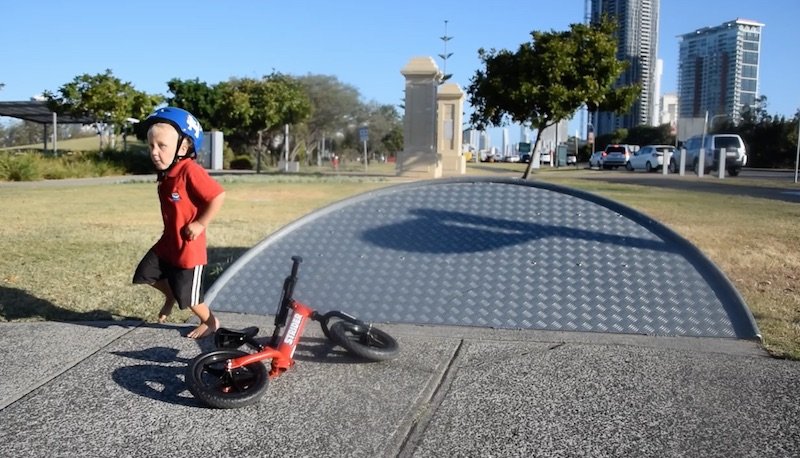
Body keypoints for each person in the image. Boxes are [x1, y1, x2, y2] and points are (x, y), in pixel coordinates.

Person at [132, 107, 225, 339]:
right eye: (151, 146)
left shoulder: (190, 170)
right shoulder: (167, 174)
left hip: (188, 247)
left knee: (191, 299)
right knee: (145, 274)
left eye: (161, 146)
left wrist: (200, 223)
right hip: (168, 242)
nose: (155, 152)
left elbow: (217, 196)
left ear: (183, 147)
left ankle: (211, 322)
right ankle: (170, 295)